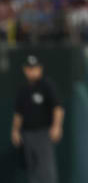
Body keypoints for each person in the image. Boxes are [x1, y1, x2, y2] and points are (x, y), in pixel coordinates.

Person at [11, 54, 64, 183]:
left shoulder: (46, 85)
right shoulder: (23, 89)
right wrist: (15, 131)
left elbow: (58, 108)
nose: (31, 71)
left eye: (34, 68)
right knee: (32, 169)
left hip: (43, 133)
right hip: (27, 134)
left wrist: (57, 126)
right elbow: (18, 113)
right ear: (25, 70)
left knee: (46, 169)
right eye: (29, 68)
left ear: (40, 69)